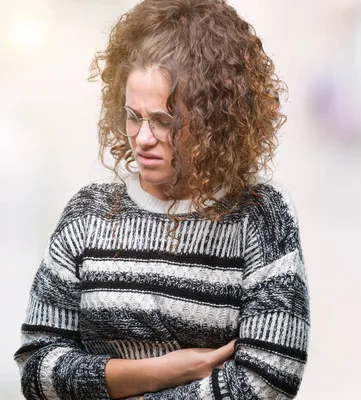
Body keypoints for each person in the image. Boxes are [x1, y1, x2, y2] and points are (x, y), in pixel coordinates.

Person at [13, 0, 310, 399]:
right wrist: (161, 371)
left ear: (215, 122)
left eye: (164, 121)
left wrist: (104, 384)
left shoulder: (259, 218)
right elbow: (37, 369)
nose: (143, 138)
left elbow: (266, 381)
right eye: (133, 116)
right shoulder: (88, 214)